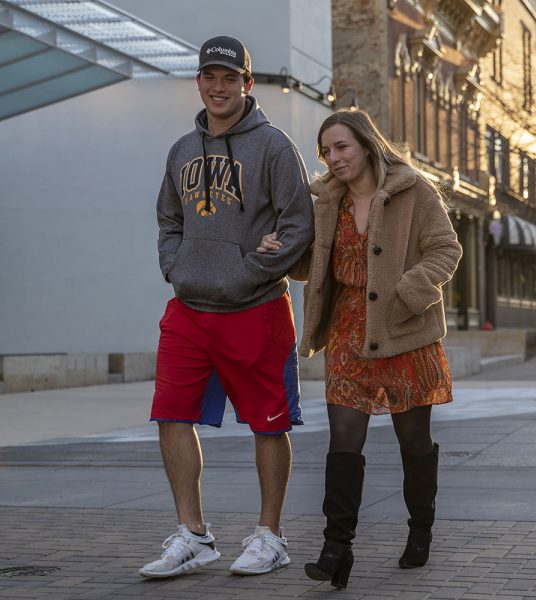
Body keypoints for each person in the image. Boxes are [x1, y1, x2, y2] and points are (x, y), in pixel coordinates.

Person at [258, 109, 462, 588]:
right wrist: (281, 249)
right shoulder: (326, 201)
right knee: (343, 443)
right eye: (326, 151)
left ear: (367, 145)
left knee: (413, 441)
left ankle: (420, 529)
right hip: (349, 333)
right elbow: (313, 264)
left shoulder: (416, 192)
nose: (334, 158)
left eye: (342, 147)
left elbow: (446, 250)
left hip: (404, 329)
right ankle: (337, 548)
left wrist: (412, 287)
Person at [139, 36, 314, 579]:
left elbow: (298, 224)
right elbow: (169, 220)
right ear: (199, 82)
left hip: (255, 307)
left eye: (229, 78)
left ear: (247, 83)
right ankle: (194, 535)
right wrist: (177, 265)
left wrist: (252, 269)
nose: (219, 87)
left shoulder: (275, 148)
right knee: (170, 415)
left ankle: (270, 536)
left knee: (269, 424)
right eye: (210, 77)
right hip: (189, 308)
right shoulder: (181, 151)